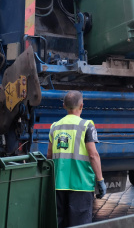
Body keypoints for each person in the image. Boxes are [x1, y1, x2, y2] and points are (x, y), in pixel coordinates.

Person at [47, 90, 107, 227]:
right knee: (79, 224)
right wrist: (100, 180)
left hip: (58, 184)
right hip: (81, 185)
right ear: (81, 106)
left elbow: (49, 156)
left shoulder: (54, 127)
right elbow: (93, 155)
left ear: (64, 106)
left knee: (59, 223)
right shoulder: (86, 126)